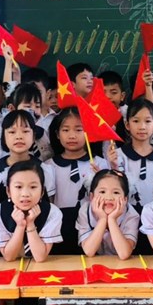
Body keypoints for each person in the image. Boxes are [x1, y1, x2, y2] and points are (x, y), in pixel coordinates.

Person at [44, 107, 109, 253]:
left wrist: (100, 179)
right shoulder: (49, 166)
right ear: (57, 134)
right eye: (66, 130)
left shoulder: (99, 163)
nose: (72, 135)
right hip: (59, 224)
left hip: (90, 223)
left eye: (79, 130)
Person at [0, 160, 62, 262]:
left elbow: (40, 257)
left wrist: (30, 224)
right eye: (18, 187)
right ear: (8, 191)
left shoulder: (52, 213)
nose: (25, 194)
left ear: (42, 191)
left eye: (33, 187)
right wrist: (20, 226)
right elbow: (9, 257)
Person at [0, 110, 56, 208]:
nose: (19, 137)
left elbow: (50, 206)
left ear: (33, 137)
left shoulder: (45, 170)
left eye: (25, 131)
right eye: (12, 132)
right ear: (4, 137)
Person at [111, 99, 153, 212]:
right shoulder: (117, 156)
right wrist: (113, 166)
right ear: (127, 124)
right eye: (136, 121)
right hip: (125, 215)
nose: (142, 127)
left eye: (148, 121)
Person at [77, 170, 139, 259]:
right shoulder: (85, 211)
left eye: (116, 192)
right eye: (102, 192)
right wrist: (102, 219)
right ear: (92, 196)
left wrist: (112, 220)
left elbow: (124, 254)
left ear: (125, 199)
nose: (109, 197)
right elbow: (89, 251)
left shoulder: (131, 214)